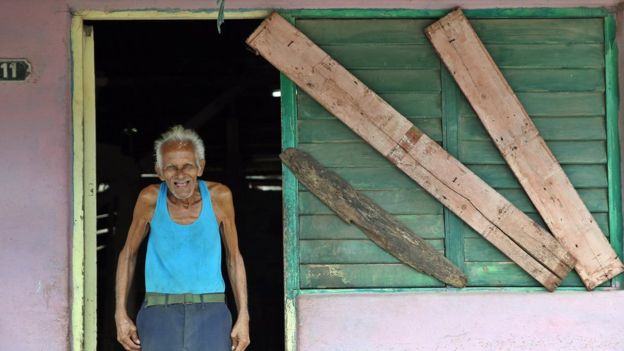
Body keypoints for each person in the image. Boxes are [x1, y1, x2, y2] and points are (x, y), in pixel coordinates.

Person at [114, 125, 250, 351]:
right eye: (171, 167)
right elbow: (128, 254)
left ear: (200, 167)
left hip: (212, 312)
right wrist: (120, 314)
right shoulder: (149, 199)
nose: (180, 174)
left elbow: (234, 258)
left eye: (187, 165)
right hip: (159, 312)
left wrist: (244, 316)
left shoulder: (220, 197)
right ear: (159, 171)